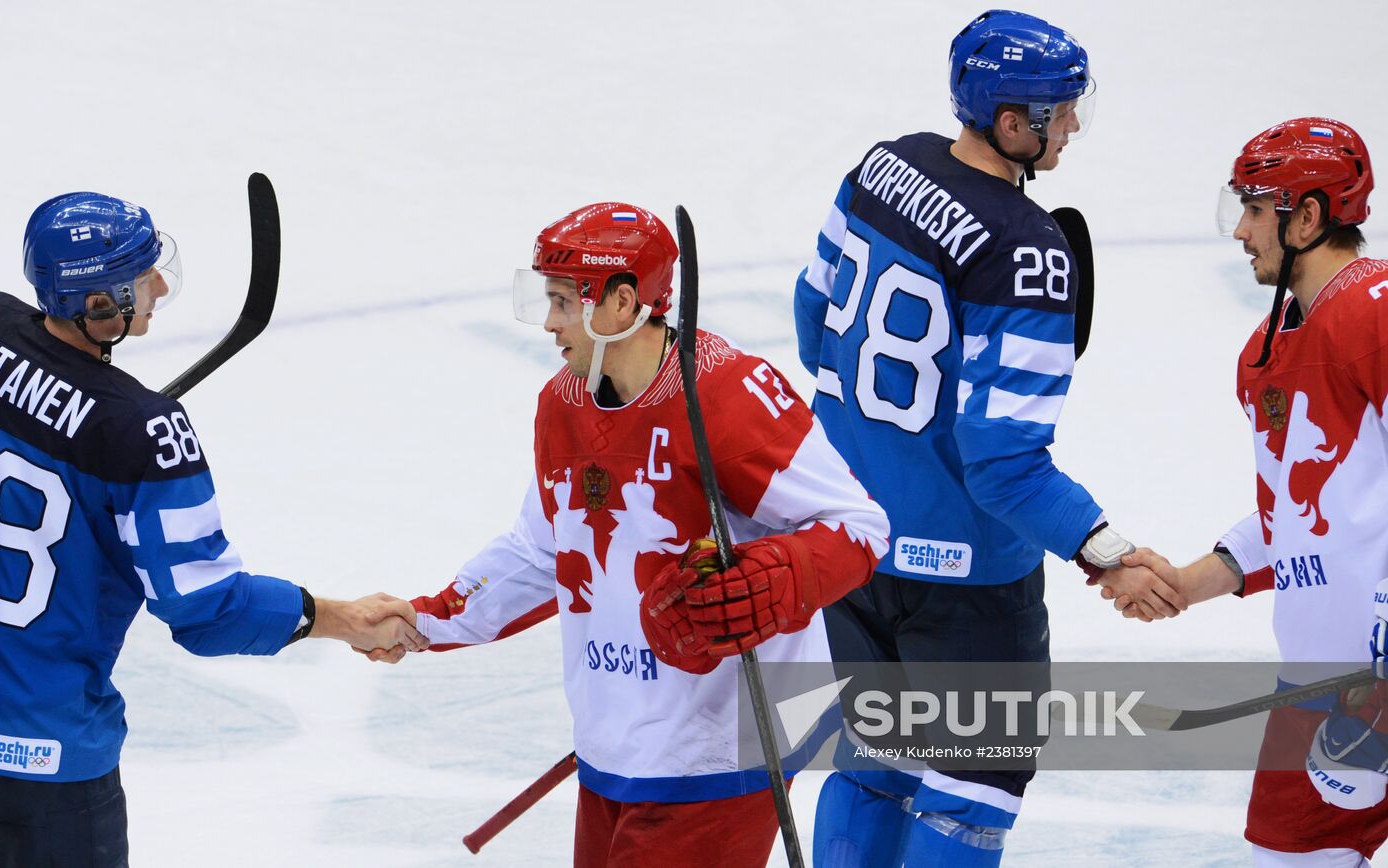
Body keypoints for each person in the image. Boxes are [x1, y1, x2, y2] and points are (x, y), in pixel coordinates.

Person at [364, 201, 890, 867]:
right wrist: (424, 620)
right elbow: (543, 551)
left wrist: (772, 578)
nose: (550, 324)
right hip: (617, 743)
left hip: (725, 748)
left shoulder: (728, 396)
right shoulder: (563, 404)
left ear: (622, 303)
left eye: (563, 301)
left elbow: (860, 527)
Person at [791, 9, 1186, 867]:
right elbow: (1004, 467)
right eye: (1061, 112)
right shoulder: (1027, 251)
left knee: (874, 765)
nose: (1073, 125)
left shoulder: (882, 168)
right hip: (967, 583)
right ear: (1014, 123)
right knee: (969, 800)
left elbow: (812, 316)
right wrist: (1106, 550)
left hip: (852, 546)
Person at [0, 192, 428, 867]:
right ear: (98, 304)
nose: (160, 285)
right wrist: (338, 618)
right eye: (140, 276)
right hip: (49, 772)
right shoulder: (142, 431)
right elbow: (209, 612)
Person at [1106, 118, 1388, 867]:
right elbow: (1296, 515)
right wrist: (1187, 584)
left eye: (1256, 208)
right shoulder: (1267, 353)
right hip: (1325, 680)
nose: (1239, 230)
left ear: (1308, 216)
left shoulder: (1376, 310)